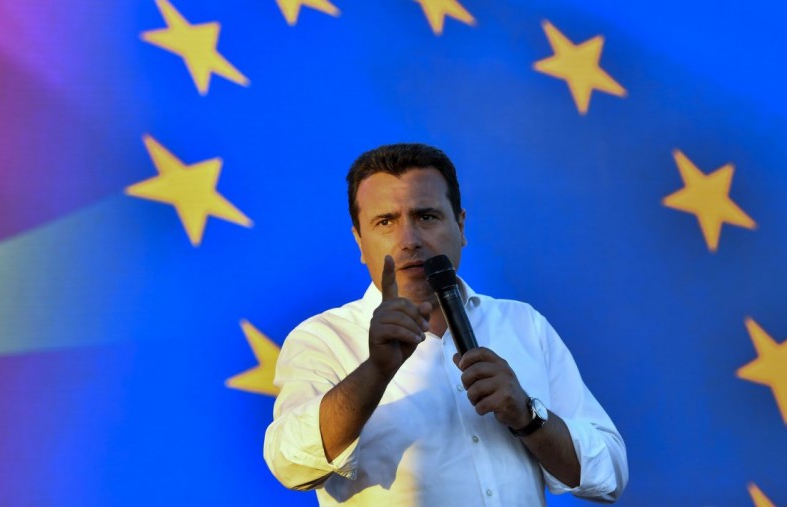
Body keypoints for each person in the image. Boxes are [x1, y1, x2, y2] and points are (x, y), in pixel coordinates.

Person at [264, 143, 628, 505]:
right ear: (359, 241)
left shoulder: (523, 324)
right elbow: (290, 465)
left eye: (426, 217)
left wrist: (528, 415)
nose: (409, 241)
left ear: (461, 225)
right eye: (385, 222)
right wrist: (375, 371)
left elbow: (609, 476)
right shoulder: (323, 339)